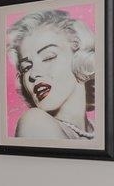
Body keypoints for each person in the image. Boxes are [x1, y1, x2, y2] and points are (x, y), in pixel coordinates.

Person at [7, 9, 96, 140]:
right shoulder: (34, 122)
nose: (33, 74)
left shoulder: (98, 130)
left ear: (78, 55)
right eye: (25, 68)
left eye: (48, 57)